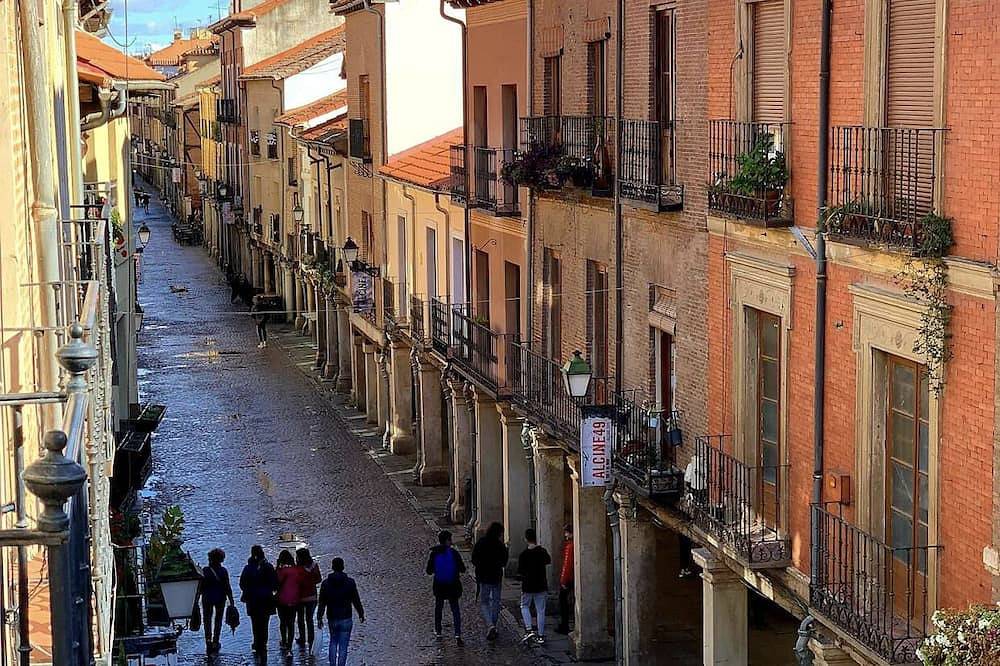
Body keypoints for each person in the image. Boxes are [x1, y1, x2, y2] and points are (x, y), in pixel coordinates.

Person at [317, 557, 365, 666]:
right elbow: (356, 600)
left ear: (332, 567)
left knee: (333, 642)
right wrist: (361, 613)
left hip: (332, 617)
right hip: (346, 617)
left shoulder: (325, 584)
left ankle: (332, 664)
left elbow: (322, 602)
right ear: (343, 567)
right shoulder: (350, 582)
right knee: (343, 645)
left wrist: (319, 617)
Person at [425, 530, 466, 645]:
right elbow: (463, 569)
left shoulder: (434, 553)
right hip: (453, 585)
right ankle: (457, 634)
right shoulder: (453, 553)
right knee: (455, 609)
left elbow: (429, 571)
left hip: (439, 585)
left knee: (439, 608)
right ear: (448, 541)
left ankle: (438, 631)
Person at [471, 522, 508, 641]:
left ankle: (490, 625)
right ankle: (493, 624)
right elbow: (504, 561)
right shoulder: (500, 545)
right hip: (496, 576)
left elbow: (474, 558)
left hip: (484, 577)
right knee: (496, 602)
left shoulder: (481, 543)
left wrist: (480, 567)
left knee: (484, 602)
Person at [239, 545, 278, 659]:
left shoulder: (248, 568)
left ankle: (257, 643)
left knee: (255, 623)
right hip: (266, 599)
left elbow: (242, 583)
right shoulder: (269, 567)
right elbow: (275, 583)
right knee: (264, 623)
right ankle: (263, 644)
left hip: (253, 600)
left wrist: (249, 590)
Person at [517, 528, 551, 644]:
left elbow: (520, 571)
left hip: (527, 585)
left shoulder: (523, 555)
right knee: (540, 610)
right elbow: (548, 560)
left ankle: (529, 629)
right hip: (541, 584)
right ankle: (541, 635)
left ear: (526, 539)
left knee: (524, 606)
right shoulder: (542, 551)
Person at [200, 548, 235, 654]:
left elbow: (200, 587)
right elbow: (227, 587)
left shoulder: (205, 570)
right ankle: (216, 641)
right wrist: (231, 600)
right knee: (218, 620)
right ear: (221, 559)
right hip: (220, 598)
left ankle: (208, 640)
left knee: (207, 620)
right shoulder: (223, 571)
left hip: (207, 598)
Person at [275, 549, 305, 656]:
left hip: (281, 600)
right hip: (294, 600)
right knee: (291, 623)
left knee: (283, 622)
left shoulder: (280, 571)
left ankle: (284, 641)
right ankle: (289, 647)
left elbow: (276, 585)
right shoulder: (297, 570)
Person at [296, 548, 322, 651]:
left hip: (300, 598)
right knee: (309, 619)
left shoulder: (298, 568)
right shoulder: (314, 566)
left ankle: (302, 638)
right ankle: (311, 638)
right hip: (312, 597)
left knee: (300, 619)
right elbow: (319, 579)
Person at [556, 524, 574, 635]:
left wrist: (563, 580)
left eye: (566, 532)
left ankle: (564, 625)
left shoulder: (570, 546)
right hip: (572, 577)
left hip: (569, 579)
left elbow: (567, 565)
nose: (565, 535)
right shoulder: (571, 545)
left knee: (563, 602)